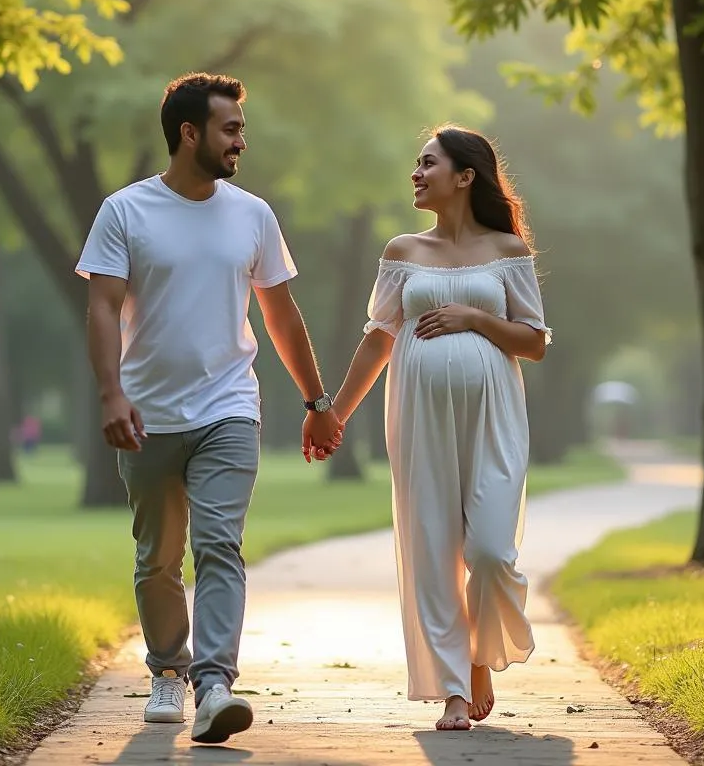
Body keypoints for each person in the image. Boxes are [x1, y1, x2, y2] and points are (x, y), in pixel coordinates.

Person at [76, 72, 342, 744]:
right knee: (158, 559)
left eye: (241, 130)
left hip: (228, 406)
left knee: (219, 545)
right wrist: (110, 393)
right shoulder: (125, 212)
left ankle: (215, 683)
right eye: (231, 129)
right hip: (147, 415)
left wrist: (317, 400)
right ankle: (168, 670)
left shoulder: (252, 214)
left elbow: (280, 315)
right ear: (189, 132)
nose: (241, 142)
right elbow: (103, 308)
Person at [330, 126, 550, 732]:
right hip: (420, 419)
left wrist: (474, 317)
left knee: (489, 552)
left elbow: (533, 342)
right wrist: (335, 414)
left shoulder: (508, 249)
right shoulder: (403, 252)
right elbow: (378, 340)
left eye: (428, 163)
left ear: (465, 175)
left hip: (493, 419)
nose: (416, 173)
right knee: (433, 549)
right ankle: (455, 687)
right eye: (416, 164)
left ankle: (482, 655)